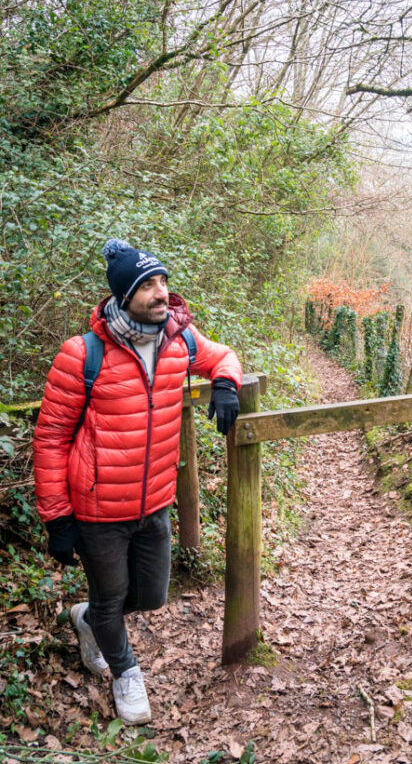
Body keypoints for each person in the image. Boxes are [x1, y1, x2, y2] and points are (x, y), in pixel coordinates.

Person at [33, 239, 243, 725]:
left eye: (163, 281)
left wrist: (227, 382)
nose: (161, 292)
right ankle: (125, 671)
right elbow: (50, 439)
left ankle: (88, 619)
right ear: (123, 295)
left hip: (154, 503)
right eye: (148, 284)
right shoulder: (81, 355)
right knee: (111, 599)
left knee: (150, 596)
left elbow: (223, 355)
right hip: (97, 508)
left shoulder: (179, 340)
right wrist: (57, 517)